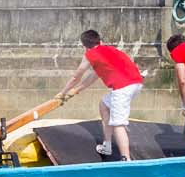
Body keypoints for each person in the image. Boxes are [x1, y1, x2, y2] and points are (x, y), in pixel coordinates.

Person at [59, 30, 145, 160]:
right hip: (136, 83)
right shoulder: (108, 50)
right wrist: (77, 90)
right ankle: (107, 145)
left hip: (122, 87)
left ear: (84, 46)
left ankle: (126, 160)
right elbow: (94, 76)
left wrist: (62, 93)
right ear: (100, 41)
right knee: (104, 104)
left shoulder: (90, 54)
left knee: (118, 124)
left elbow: (76, 76)